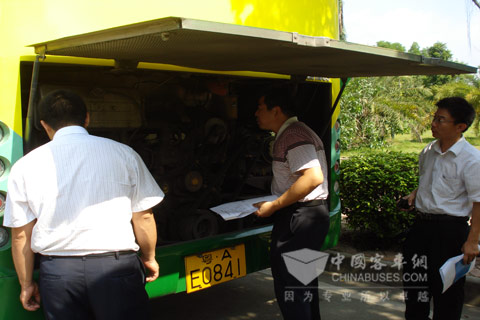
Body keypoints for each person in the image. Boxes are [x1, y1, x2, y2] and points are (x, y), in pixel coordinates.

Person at [4, 90, 164, 320]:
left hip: (58, 276)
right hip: (116, 269)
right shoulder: (124, 154)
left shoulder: (24, 166)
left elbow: (20, 235)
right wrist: (149, 257)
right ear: (87, 118)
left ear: (43, 124)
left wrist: (26, 283)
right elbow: (144, 216)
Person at [253, 87, 330, 320]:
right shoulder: (296, 132)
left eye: (260, 108)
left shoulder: (292, 135)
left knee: (291, 287)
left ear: (276, 111)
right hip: (310, 215)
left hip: (300, 218)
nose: (255, 113)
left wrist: (274, 205)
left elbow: (312, 177)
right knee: (303, 285)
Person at [401, 97, 480, 320]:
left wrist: (472, 241)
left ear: (460, 126)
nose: (433, 123)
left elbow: (478, 202)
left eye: (440, 120)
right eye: (434, 118)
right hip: (420, 230)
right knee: (415, 290)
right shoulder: (428, 151)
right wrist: (414, 195)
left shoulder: (472, 160)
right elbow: (427, 182)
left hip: (451, 233)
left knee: (447, 294)